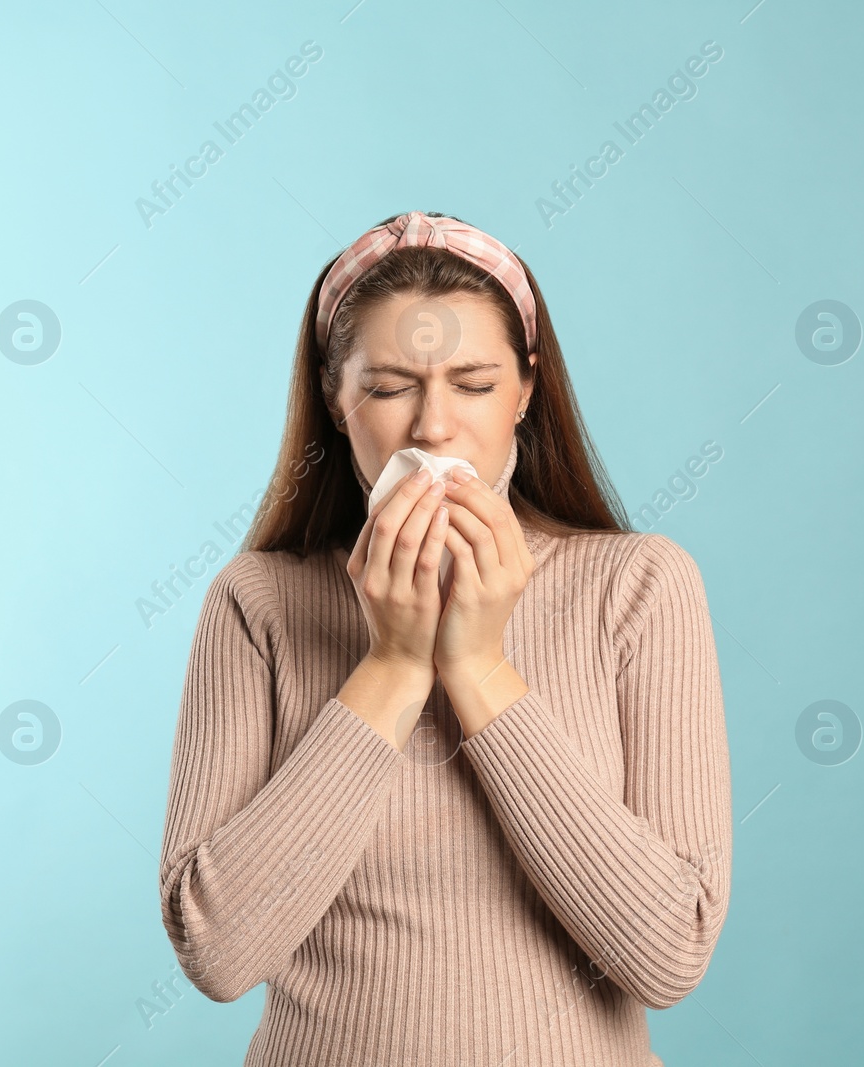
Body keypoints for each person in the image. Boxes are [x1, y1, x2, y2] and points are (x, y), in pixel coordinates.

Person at [157, 210, 732, 1066]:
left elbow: (668, 953)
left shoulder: (641, 586)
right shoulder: (258, 602)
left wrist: (475, 665)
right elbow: (220, 952)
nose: (432, 427)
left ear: (526, 391)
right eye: (388, 388)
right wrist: (393, 663)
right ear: (334, 398)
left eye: (473, 384)